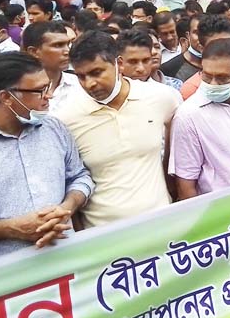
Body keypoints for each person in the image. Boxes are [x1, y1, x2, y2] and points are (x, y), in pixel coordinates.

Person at [0, 52, 94, 264]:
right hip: (3, 279)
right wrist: (11, 229)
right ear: (7, 97)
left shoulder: (55, 129)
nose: (49, 95)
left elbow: (80, 176)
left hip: (68, 267)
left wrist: (66, 207)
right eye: (39, 90)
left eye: (48, 87)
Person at [53, 31, 180, 229]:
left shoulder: (161, 97)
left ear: (118, 64)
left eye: (96, 72)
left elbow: (178, 151)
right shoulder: (66, 119)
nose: (89, 84)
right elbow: (69, 182)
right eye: (81, 76)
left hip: (163, 227)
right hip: (104, 239)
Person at [169, 38, 230, 199]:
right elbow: (186, 181)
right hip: (225, 210)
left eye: (222, 78)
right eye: (207, 76)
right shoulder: (188, 115)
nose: (213, 84)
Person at [22, 21, 81, 112]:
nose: (67, 51)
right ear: (33, 52)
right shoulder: (19, 92)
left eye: (68, 44)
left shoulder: (79, 84)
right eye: (58, 45)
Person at [161, 15, 204, 81]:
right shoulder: (169, 69)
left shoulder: (223, 62)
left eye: (207, 33)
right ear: (188, 35)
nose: (202, 38)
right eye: (197, 33)